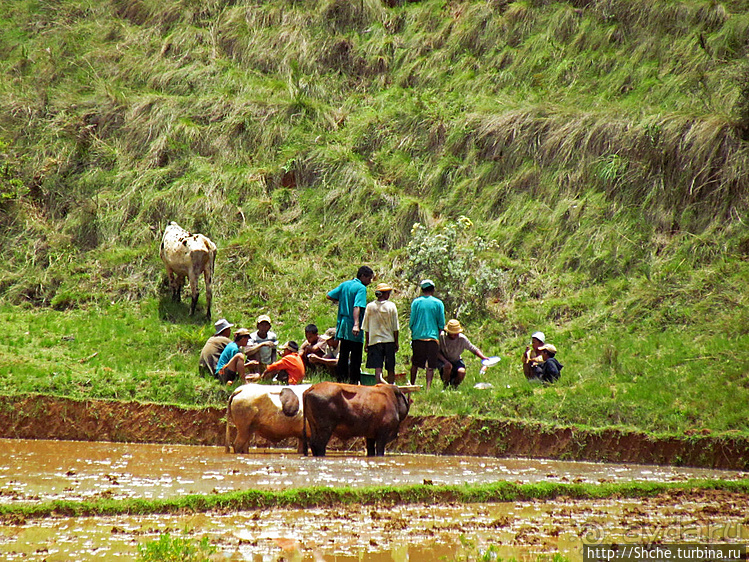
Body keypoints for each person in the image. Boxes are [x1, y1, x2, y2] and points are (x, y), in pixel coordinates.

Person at [327, 265, 374, 385]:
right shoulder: (361, 288)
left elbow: (329, 295)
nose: (370, 282)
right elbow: (357, 306)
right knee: (356, 357)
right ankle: (353, 382)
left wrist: (342, 301)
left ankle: (341, 381)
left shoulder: (345, 285)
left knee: (343, 354)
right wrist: (356, 324)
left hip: (342, 325)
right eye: (369, 278)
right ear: (363, 276)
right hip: (353, 326)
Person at [409, 279, 445, 391]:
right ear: (433, 289)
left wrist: (414, 331)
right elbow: (441, 323)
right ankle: (428, 388)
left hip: (418, 337)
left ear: (422, 289)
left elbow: (412, 321)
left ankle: (412, 384)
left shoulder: (416, 302)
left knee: (415, 363)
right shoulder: (438, 303)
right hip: (432, 337)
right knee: (430, 365)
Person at [362, 282, 400, 384]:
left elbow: (366, 327)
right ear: (385, 294)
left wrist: (367, 343)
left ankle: (380, 385)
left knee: (378, 369)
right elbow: (395, 327)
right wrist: (396, 342)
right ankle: (391, 386)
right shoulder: (391, 306)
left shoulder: (370, 306)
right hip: (389, 341)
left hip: (374, 341)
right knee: (390, 367)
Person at [438, 319, 489, 388]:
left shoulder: (462, 339)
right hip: (444, 360)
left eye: (456, 333)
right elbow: (436, 352)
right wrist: (445, 361)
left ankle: (454, 386)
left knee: (461, 372)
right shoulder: (442, 338)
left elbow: (473, 349)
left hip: (456, 359)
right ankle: (446, 385)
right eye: (452, 333)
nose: (454, 335)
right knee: (448, 366)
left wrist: (483, 357)